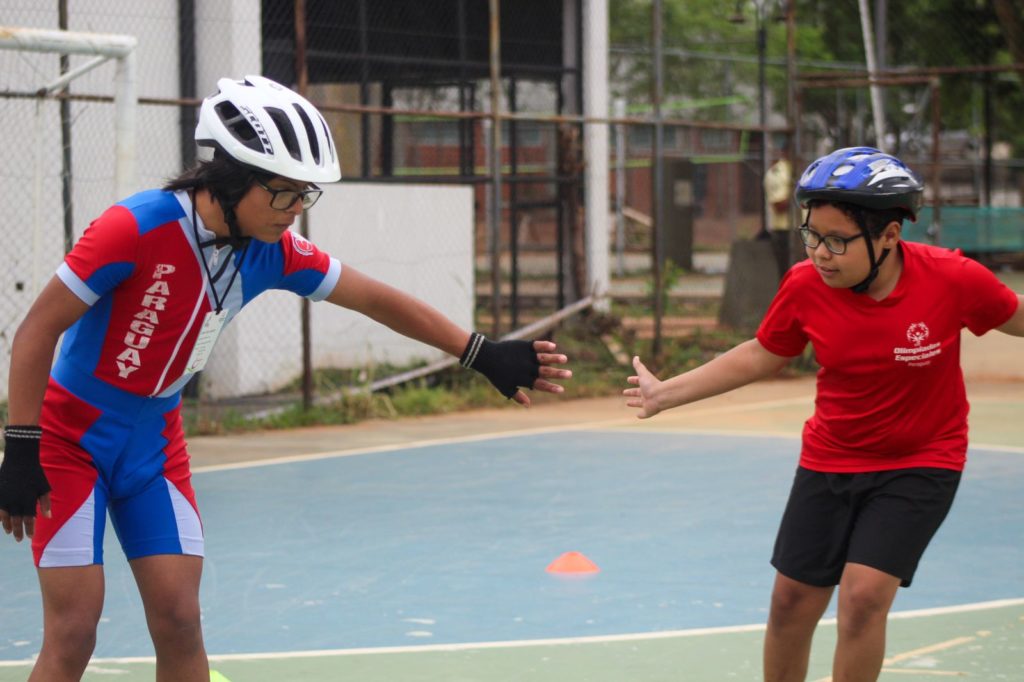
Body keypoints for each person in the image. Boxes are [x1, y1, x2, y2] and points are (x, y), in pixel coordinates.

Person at [0, 75, 572, 681]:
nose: (296, 209)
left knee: (178, 619)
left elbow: (373, 298)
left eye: (305, 195)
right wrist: (22, 444)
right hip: (70, 440)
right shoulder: (134, 228)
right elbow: (36, 331)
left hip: (152, 445)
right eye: (283, 194)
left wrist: (478, 351)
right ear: (232, 178)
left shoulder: (273, 251)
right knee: (75, 629)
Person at [624, 146, 1023, 681]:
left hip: (921, 462)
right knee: (790, 600)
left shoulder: (951, 279)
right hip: (831, 460)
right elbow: (763, 352)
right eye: (811, 235)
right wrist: (663, 394)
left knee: (861, 598)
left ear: (889, 237)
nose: (821, 254)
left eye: (837, 240)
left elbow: (1016, 317)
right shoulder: (805, 285)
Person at [764, 151, 795, 279]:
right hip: (785, 230)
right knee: (789, 275)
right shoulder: (778, 172)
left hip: (804, 230)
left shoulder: (803, 170)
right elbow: (778, 205)